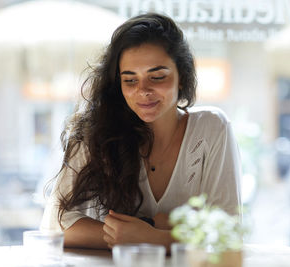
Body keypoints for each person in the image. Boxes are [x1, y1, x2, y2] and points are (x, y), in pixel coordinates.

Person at [41, 13, 242, 251]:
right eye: (130, 80)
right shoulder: (96, 131)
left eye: (157, 77)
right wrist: (154, 228)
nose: (143, 91)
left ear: (182, 77)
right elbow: (56, 226)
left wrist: (150, 238)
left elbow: (227, 233)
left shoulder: (212, 128)